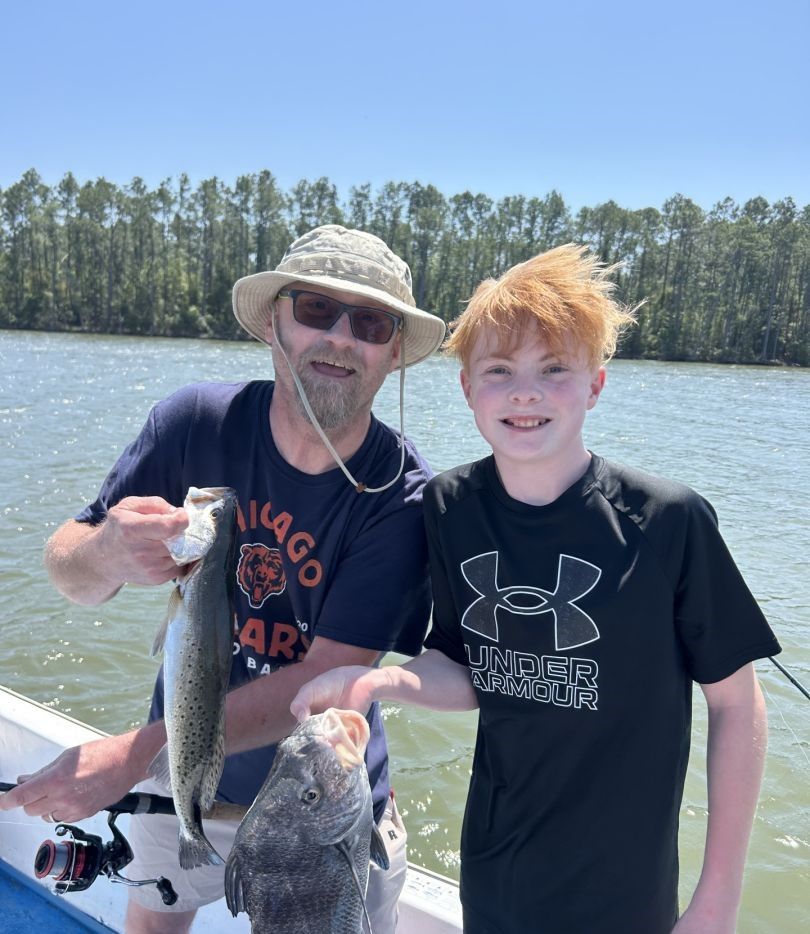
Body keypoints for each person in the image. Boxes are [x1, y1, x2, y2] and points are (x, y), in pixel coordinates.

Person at [291, 244, 782, 934]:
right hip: (494, 876)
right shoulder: (450, 507)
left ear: (595, 385)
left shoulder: (668, 520)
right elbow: (464, 666)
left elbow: (736, 703)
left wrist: (718, 900)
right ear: (467, 388)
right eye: (499, 370)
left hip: (626, 893)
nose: (525, 393)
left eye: (554, 369)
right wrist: (379, 682)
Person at [0, 224, 448, 934]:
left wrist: (136, 753)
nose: (339, 338)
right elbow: (67, 568)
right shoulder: (193, 423)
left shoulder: (403, 497)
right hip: (181, 783)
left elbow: (323, 680)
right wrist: (107, 554)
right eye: (315, 309)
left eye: (369, 323)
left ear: (393, 352)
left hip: (324, 804)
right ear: (273, 322)